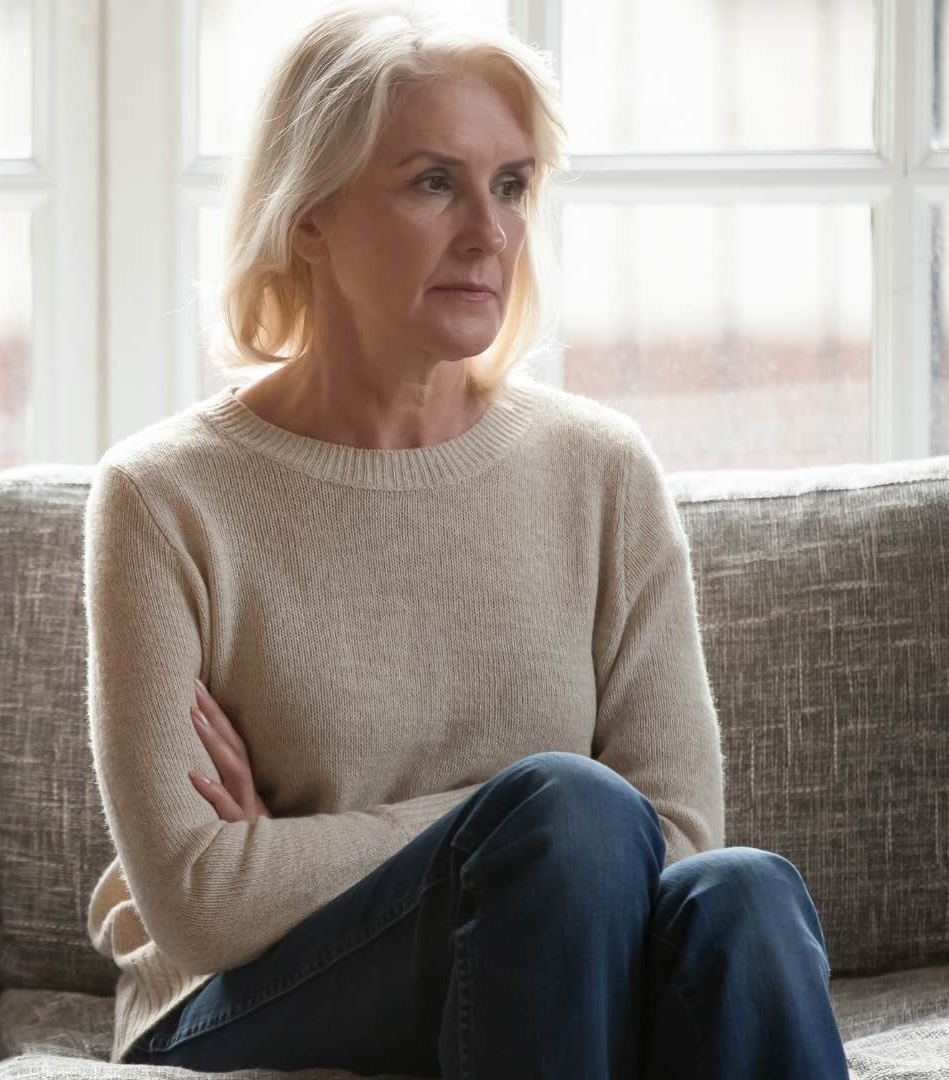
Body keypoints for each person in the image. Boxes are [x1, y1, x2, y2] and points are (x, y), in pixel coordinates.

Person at [82, 5, 849, 1076]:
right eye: (433, 181)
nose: (489, 232)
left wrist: (346, 845)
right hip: (244, 1001)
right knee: (574, 811)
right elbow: (203, 901)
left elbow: (676, 836)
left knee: (746, 897)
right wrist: (516, 829)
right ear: (309, 214)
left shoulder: (601, 469)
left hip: (558, 977)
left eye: (512, 184)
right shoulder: (164, 497)